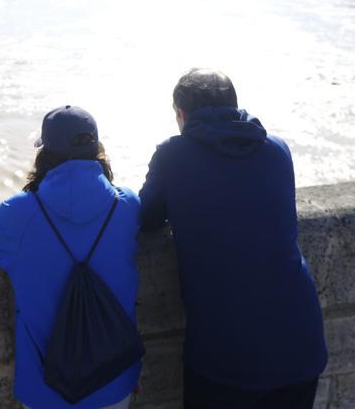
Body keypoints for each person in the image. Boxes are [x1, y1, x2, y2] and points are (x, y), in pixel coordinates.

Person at [139, 69, 328, 409]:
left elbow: (147, 218)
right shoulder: (277, 150)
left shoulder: (173, 155)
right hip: (300, 343)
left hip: (226, 357)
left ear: (181, 115)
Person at [0, 105, 142, 409]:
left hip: (47, 391)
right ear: (97, 149)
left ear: (44, 154)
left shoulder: (19, 214)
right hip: (114, 382)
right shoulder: (127, 206)